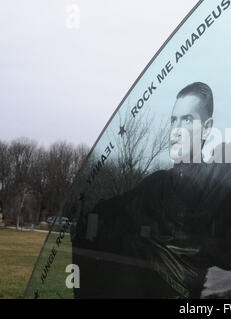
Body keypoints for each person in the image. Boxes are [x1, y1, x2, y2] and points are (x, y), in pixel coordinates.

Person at [73, 82, 218, 298]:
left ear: (207, 128)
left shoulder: (218, 188)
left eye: (187, 120)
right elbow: (111, 207)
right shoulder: (156, 184)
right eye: (173, 120)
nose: (176, 131)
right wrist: (81, 209)